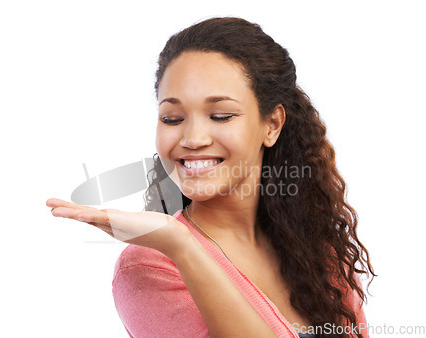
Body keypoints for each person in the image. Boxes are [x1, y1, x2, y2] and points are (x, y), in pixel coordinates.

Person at [46, 17, 376, 337]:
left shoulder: (320, 252)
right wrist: (182, 246)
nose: (192, 138)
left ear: (272, 125)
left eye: (220, 115)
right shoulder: (150, 268)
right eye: (172, 118)